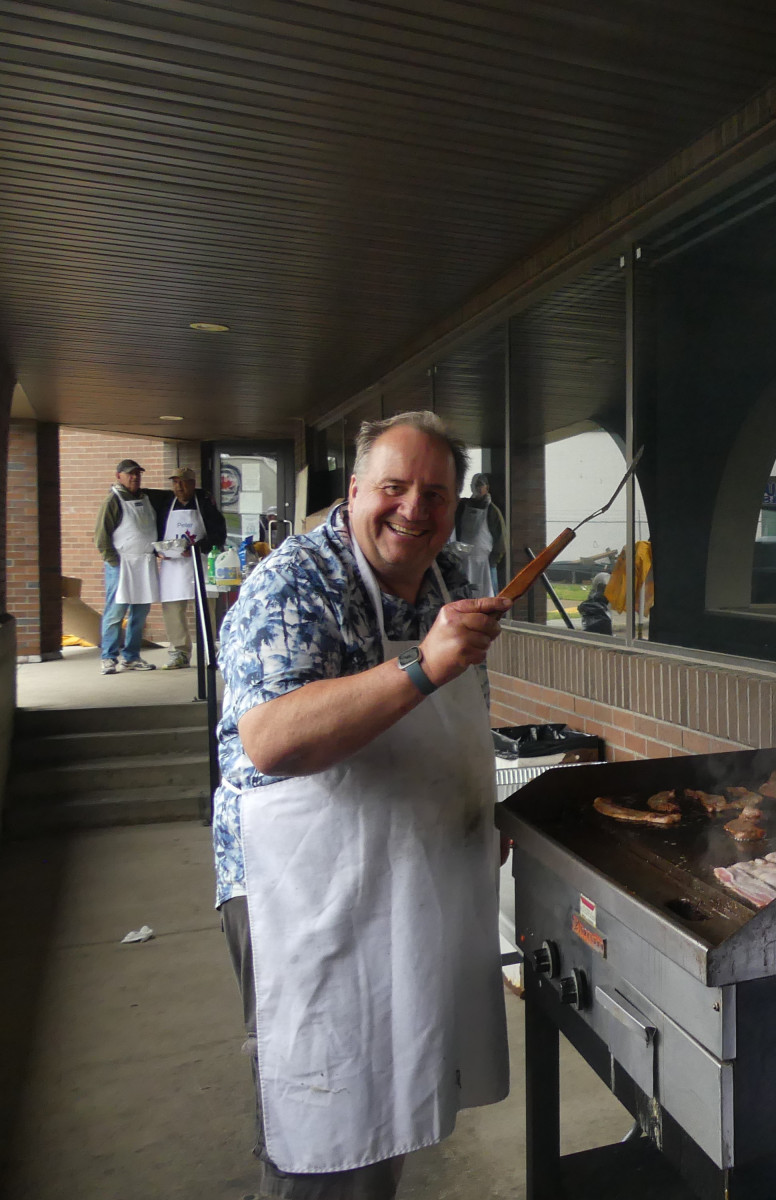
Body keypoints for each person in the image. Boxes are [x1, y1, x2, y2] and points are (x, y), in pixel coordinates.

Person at [211, 411, 512, 1198]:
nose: (414, 508)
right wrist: (423, 666)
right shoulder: (295, 581)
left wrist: (479, 813)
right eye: (394, 487)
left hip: (406, 871)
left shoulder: (449, 583)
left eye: (435, 494)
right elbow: (272, 740)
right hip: (300, 889)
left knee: (394, 1100)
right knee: (327, 1119)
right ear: (353, 492)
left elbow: (458, 723)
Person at [151, 466, 227, 669]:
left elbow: (219, 534)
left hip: (199, 562)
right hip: (172, 566)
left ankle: (208, 650)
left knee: (205, 609)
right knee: (173, 610)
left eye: (183, 482)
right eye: (175, 482)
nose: (179, 487)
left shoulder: (205, 505)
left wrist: (198, 547)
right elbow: (155, 531)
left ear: (193, 484)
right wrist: (158, 550)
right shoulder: (165, 505)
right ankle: (179, 652)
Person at [94, 458, 160, 673]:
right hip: (121, 564)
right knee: (115, 612)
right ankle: (108, 657)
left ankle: (131, 656)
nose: (134, 477)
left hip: (144, 563)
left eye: (137, 474)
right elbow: (101, 537)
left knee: (140, 612)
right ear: (119, 476)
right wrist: (114, 563)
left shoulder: (145, 498)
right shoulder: (112, 501)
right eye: (130, 474)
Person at [453, 472, 507, 596]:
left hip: (486, 564)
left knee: (489, 597)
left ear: (487, 487)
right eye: (474, 485)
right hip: (465, 562)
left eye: (480, 485)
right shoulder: (462, 508)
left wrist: (493, 561)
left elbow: (500, 539)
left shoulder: (493, 511)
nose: (477, 488)